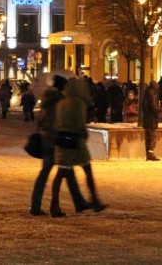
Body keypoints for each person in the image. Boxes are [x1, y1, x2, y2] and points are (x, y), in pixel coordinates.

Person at [29, 75, 88, 217]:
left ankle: (36, 206)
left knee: (53, 173)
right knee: (66, 171)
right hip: (57, 141)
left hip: (48, 140)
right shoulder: (59, 102)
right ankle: (69, 204)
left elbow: (42, 121)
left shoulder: (48, 100)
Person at [52, 78, 107, 216]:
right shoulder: (79, 103)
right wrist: (84, 135)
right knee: (87, 170)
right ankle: (94, 199)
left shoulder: (62, 103)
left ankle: (55, 203)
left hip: (62, 140)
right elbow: (80, 124)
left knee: (61, 173)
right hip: (75, 141)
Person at [142, 80, 162, 161]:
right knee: (152, 137)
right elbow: (153, 107)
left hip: (146, 118)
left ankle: (148, 154)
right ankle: (150, 154)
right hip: (151, 119)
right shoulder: (152, 95)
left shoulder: (146, 94)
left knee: (148, 137)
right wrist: (160, 109)